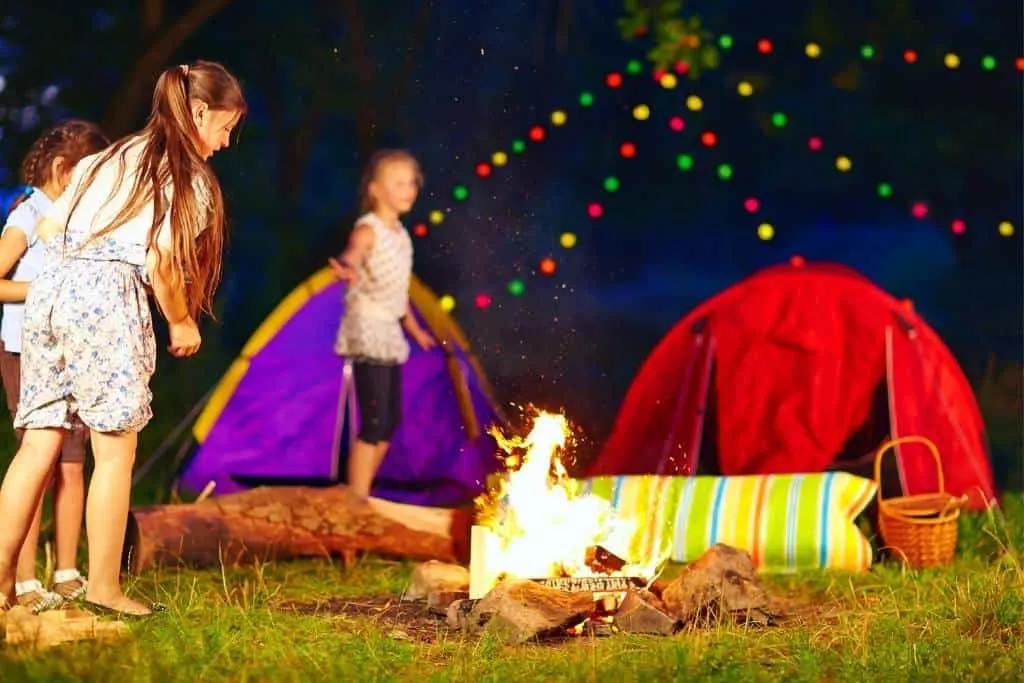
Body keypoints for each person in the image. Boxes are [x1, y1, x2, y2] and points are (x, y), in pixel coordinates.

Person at [0, 60, 246, 616]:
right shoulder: (188, 178)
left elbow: (47, 229)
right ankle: (104, 589)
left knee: (38, 443)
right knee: (114, 452)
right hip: (106, 298)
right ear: (199, 111)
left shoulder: (105, 158)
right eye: (225, 128)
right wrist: (181, 322)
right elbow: (160, 261)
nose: (226, 143)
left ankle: (0, 587)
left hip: (49, 291)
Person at [0, 120, 109, 613]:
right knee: (38, 463)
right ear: (64, 170)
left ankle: (66, 571)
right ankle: (22, 579)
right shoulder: (28, 214)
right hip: (25, 351)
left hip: (70, 355)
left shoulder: (75, 219)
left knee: (72, 462)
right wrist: (46, 293)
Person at [329, 149, 436, 500]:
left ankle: (356, 494)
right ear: (376, 189)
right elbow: (355, 252)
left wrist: (416, 328)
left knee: (387, 424)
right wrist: (348, 264)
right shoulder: (368, 229)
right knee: (373, 425)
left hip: (390, 330)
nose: (408, 189)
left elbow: (399, 290)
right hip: (368, 329)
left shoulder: (402, 235)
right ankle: (355, 505)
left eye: (412, 183)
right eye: (399, 183)